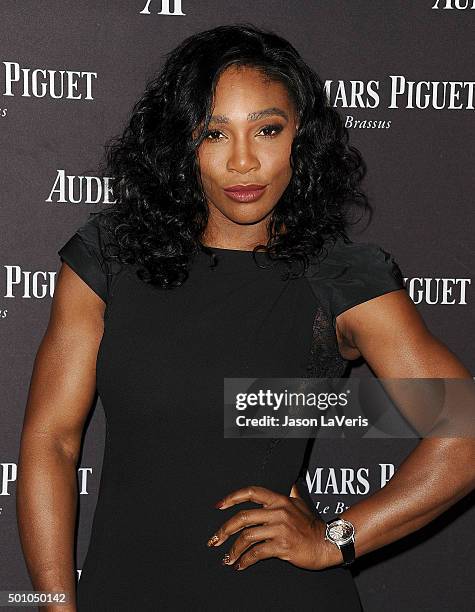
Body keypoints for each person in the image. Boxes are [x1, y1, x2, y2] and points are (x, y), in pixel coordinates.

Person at [16, 24, 474, 612]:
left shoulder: (338, 276)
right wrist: (55, 605)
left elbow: (460, 430)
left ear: (300, 137)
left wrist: (335, 538)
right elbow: (50, 442)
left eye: (267, 129)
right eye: (214, 133)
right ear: (183, 143)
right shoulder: (109, 256)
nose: (243, 161)